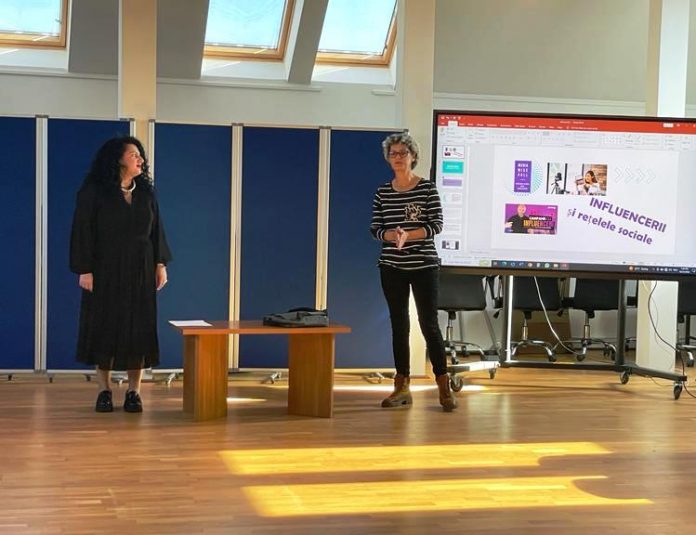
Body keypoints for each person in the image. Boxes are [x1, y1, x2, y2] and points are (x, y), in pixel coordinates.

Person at [70, 136, 172, 413]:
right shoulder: (93, 192)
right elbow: (82, 230)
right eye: (133, 154)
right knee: (103, 326)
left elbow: (156, 231)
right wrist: (84, 269)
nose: (140, 159)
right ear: (117, 159)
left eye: (140, 155)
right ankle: (104, 390)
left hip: (140, 269)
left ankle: (133, 392)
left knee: (138, 328)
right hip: (104, 269)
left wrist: (160, 264)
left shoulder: (146, 194)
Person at [370, 132, 457, 412]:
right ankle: (402, 385)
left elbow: (436, 225)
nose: (397, 157)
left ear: (413, 157)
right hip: (391, 266)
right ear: (388, 158)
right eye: (393, 153)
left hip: (424, 265)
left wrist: (410, 235)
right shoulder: (383, 191)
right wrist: (392, 236)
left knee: (428, 323)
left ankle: (443, 384)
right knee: (399, 325)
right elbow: (375, 229)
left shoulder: (427, 188)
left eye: (402, 153)